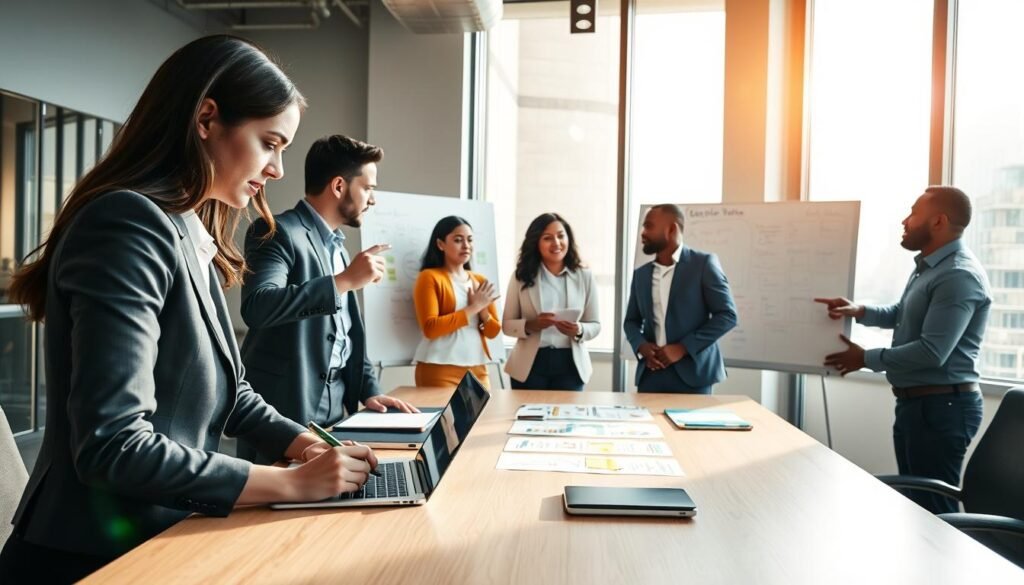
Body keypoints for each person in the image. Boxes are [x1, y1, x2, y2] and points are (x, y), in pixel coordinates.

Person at [0, 36, 377, 583]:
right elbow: (114, 445)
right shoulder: (128, 224)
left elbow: (233, 391)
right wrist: (291, 483)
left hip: (160, 539)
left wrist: (308, 444)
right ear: (206, 119)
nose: (276, 169)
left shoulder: (185, 231)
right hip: (90, 559)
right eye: (270, 143)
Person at [238, 135, 417, 462]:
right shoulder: (275, 231)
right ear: (338, 186)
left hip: (338, 409)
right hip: (282, 410)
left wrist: (370, 391)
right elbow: (258, 306)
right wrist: (345, 280)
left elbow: (345, 334)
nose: (372, 200)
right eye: (368, 188)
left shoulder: (338, 245)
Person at [816, 186, 990, 514]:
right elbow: (904, 313)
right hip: (920, 405)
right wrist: (861, 311)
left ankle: (942, 566)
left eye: (913, 213)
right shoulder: (930, 267)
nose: (905, 221)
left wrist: (864, 358)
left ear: (938, 221)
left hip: (943, 407)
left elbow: (931, 351)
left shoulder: (957, 276)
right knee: (918, 506)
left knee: (936, 512)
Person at [624, 204, 738, 393]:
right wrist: (641, 346)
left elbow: (727, 315)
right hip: (651, 374)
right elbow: (631, 321)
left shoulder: (703, 265)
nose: (643, 233)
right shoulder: (641, 275)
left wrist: (682, 348)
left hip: (693, 374)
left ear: (671, 229)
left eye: (649, 226)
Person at [502, 213, 600, 391]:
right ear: (536, 243)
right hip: (530, 364)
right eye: (547, 238)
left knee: (567, 418)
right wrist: (532, 325)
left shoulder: (584, 276)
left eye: (561, 236)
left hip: (571, 364)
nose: (556, 243)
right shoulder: (521, 276)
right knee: (528, 418)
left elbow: (595, 324)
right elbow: (507, 325)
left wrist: (579, 329)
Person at [412, 216, 501, 389]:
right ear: (440, 244)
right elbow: (430, 328)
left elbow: (492, 332)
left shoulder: (479, 280)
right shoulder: (429, 277)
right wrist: (474, 307)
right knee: (446, 417)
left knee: (483, 416)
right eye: (458, 240)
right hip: (440, 369)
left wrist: (483, 313)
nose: (466, 245)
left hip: (478, 368)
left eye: (470, 240)